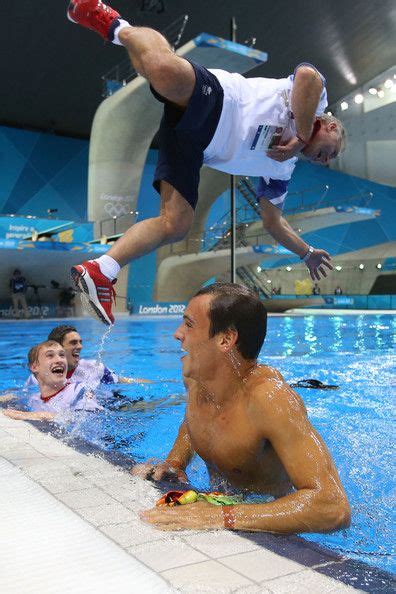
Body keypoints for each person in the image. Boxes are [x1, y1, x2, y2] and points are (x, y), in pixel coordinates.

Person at [67, 0, 345, 325]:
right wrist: (299, 133)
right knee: (163, 71)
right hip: (220, 100)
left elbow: (273, 222)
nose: (326, 160)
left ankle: (103, 269)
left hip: (195, 145)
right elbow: (308, 75)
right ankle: (115, 24)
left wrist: (306, 252)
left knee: (176, 224)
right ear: (331, 126)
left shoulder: (281, 170)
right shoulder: (317, 98)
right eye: (332, 151)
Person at [132, 283, 350, 533]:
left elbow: (332, 507)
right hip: (223, 496)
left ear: (226, 339)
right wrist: (175, 461)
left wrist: (221, 516)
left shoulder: (270, 401)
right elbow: (194, 419)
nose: (178, 333)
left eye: (189, 324)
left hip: (269, 512)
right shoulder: (196, 377)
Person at [3, 341, 102, 422]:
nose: (59, 360)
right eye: (50, 356)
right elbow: (16, 396)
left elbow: (86, 420)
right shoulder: (34, 399)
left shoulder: (79, 390)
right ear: (34, 367)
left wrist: (37, 415)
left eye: (62, 355)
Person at [25, 325, 152, 388]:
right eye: (73, 343)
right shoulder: (38, 378)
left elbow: (122, 381)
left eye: (80, 342)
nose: (80, 346)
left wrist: (156, 383)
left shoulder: (93, 368)